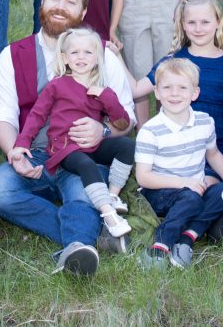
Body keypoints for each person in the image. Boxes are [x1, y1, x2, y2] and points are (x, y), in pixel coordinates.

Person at [0, 0, 136, 276]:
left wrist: (103, 130)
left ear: (82, 12)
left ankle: (78, 246)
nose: (60, 6)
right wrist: (16, 153)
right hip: (38, 153)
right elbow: (3, 118)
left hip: (85, 155)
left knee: (82, 194)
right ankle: (90, 230)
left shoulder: (102, 54)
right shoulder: (13, 55)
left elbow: (128, 118)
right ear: (42, 2)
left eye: (71, 1)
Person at [8, 28, 134, 238]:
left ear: (97, 58)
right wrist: (22, 142)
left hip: (92, 146)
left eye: (88, 52)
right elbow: (37, 116)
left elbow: (122, 123)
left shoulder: (102, 89)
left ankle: (112, 195)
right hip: (64, 149)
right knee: (86, 164)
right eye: (75, 53)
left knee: (128, 146)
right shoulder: (57, 85)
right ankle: (109, 214)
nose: (81, 57)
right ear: (65, 58)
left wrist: (107, 98)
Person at [135, 58, 223, 269]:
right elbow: (143, 177)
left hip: (193, 189)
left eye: (182, 87)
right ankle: (161, 245)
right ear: (157, 92)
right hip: (159, 192)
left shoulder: (205, 122)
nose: (174, 93)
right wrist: (183, 182)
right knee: (191, 198)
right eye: (167, 87)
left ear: (195, 93)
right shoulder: (151, 130)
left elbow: (213, 153)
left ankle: (188, 237)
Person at [132, 0, 223, 159]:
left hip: (219, 147)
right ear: (183, 25)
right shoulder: (173, 61)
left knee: (210, 182)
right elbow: (137, 90)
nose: (198, 28)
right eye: (191, 22)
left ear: (218, 22)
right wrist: (115, 55)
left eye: (205, 22)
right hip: (180, 146)